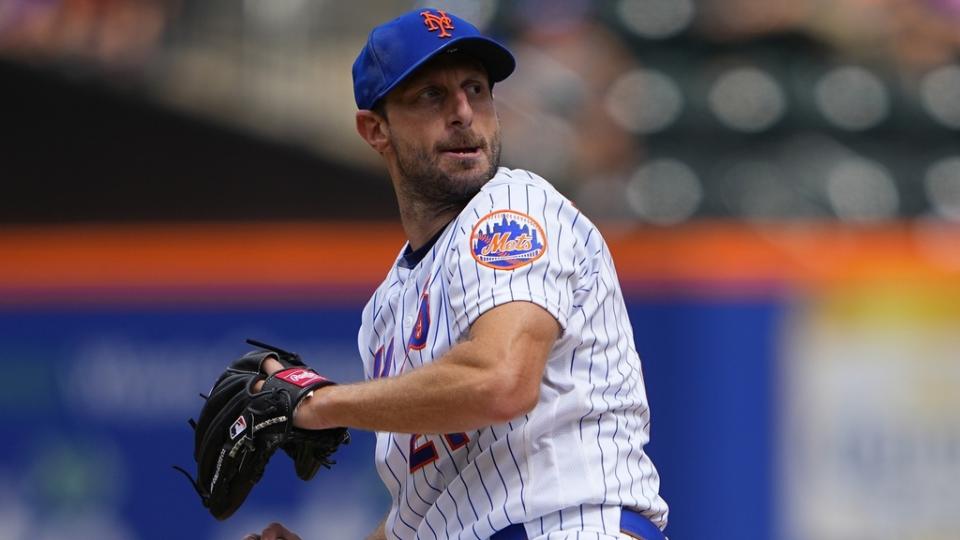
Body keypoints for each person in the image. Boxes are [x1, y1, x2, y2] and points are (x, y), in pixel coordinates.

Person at [246, 8, 668, 540]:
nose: (464, 112)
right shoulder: (385, 308)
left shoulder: (512, 206)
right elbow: (429, 512)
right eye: (431, 95)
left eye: (476, 89)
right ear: (375, 129)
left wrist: (318, 403)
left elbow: (500, 380)